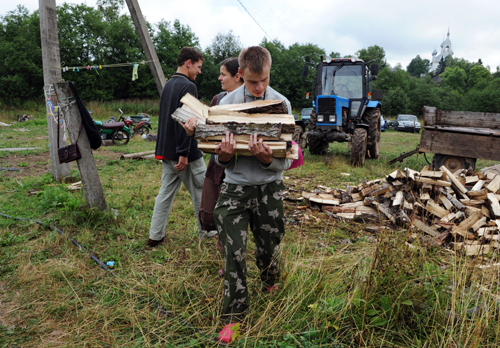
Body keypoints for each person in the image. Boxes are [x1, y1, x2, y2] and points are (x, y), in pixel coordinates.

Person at [213, 46, 293, 335]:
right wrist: (224, 155)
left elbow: (288, 156)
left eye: (265, 81)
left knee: (268, 243)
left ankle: (269, 279)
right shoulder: (226, 103)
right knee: (233, 251)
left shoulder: (282, 104)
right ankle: (234, 315)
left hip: (269, 188)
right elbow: (216, 156)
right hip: (235, 188)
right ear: (240, 74)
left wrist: (268, 159)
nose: (259, 88)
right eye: (252, 82)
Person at [148, 47, 207, 247]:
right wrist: (183, 153)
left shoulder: (168, 85)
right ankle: (207, 234)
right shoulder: (188, 87)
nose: (199, 71)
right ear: (188, 63)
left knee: (165, 193)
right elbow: (187, 124)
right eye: (198, 67)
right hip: (186, 154)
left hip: (167, 151)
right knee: (202, 191)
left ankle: (155, 235)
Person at [199, 58, 243, 240]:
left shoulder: (246, 103)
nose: (219, 78)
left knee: (233, 213)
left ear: (238, 76)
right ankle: (220, 239)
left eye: (223, 74)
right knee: (212, 208)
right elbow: (207, 132)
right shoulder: (217, 99)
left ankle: (229, 246)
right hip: (217, 163)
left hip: (238, 167)